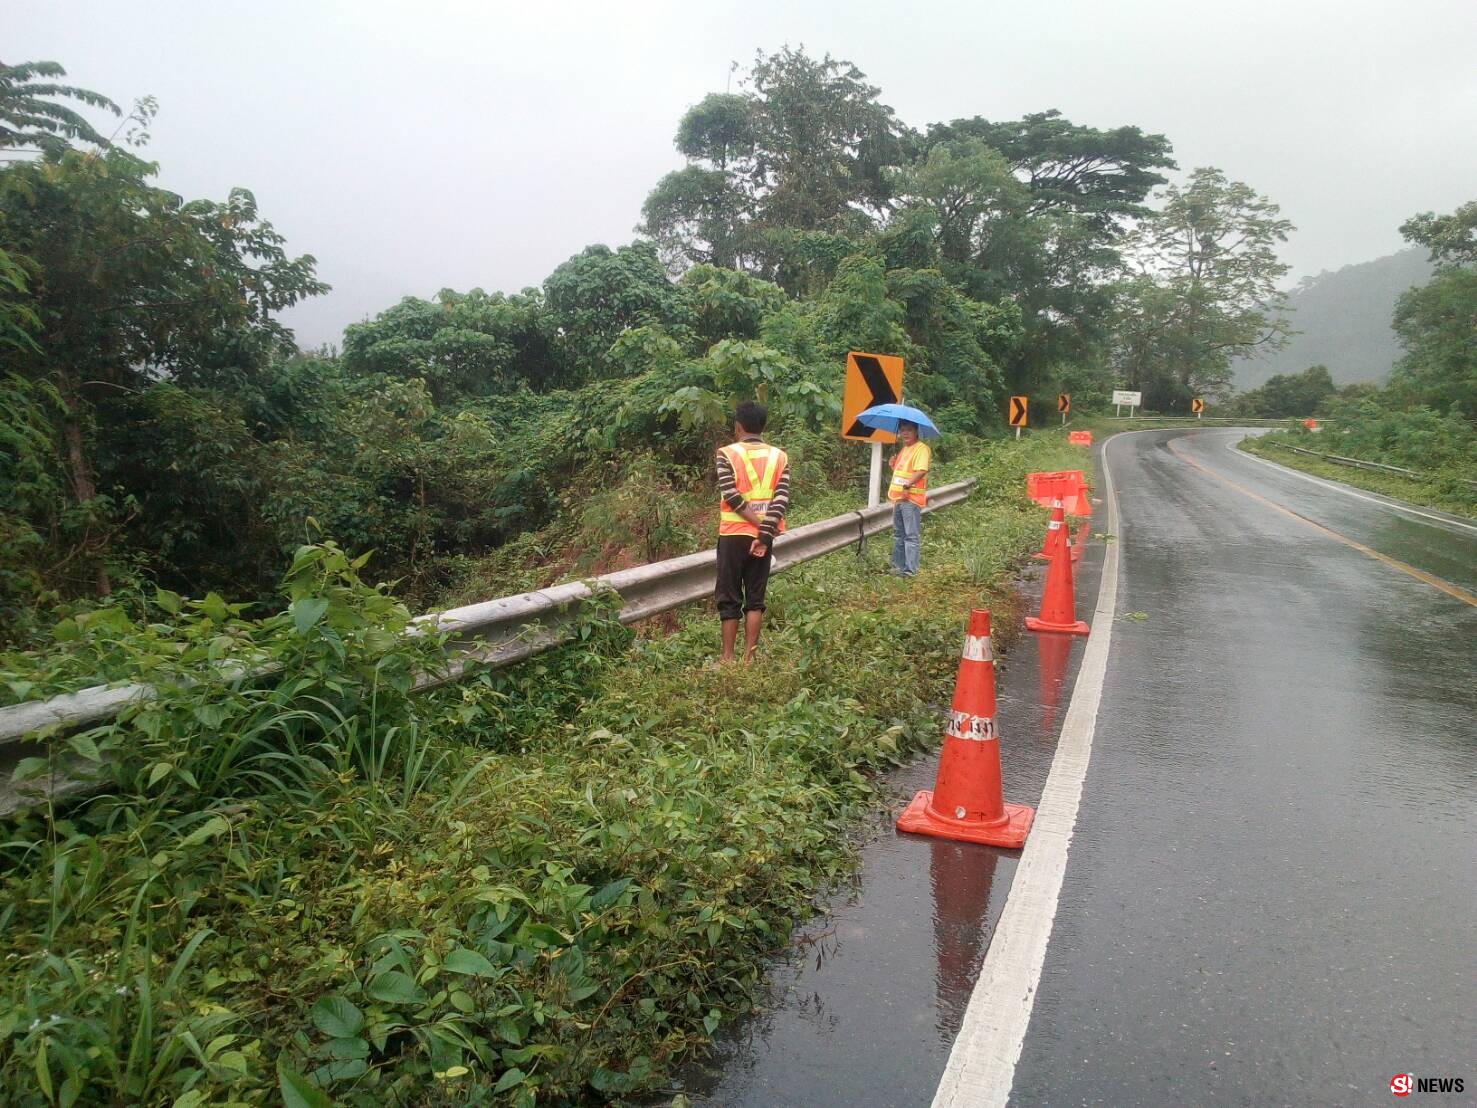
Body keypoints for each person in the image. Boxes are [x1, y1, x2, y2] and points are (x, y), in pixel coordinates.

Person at [714, 400, 790, 663]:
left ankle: (727, 658)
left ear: (737, 426)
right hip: (764, 538)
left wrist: (756, 524)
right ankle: (750, 658)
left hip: (733, 534)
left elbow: (731, 496)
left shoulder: (726, 454)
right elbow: (781, 501)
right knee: (755, 598)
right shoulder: (779, 456)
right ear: (763, 426)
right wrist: (765, 532)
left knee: (729, 597)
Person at [888, 419, 930, 577]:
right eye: (902, 430)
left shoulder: (921, 449)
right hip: (899, 499)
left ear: (916, 431)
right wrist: (893, 464)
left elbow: (921, 470)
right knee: (899, 535)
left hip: (910, 499)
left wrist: (906, 486)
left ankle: (910, 572)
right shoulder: (904, 449)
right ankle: (897, 568)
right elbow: (902, 471)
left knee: (910, 536)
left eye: (908, 430)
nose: (904, 433)